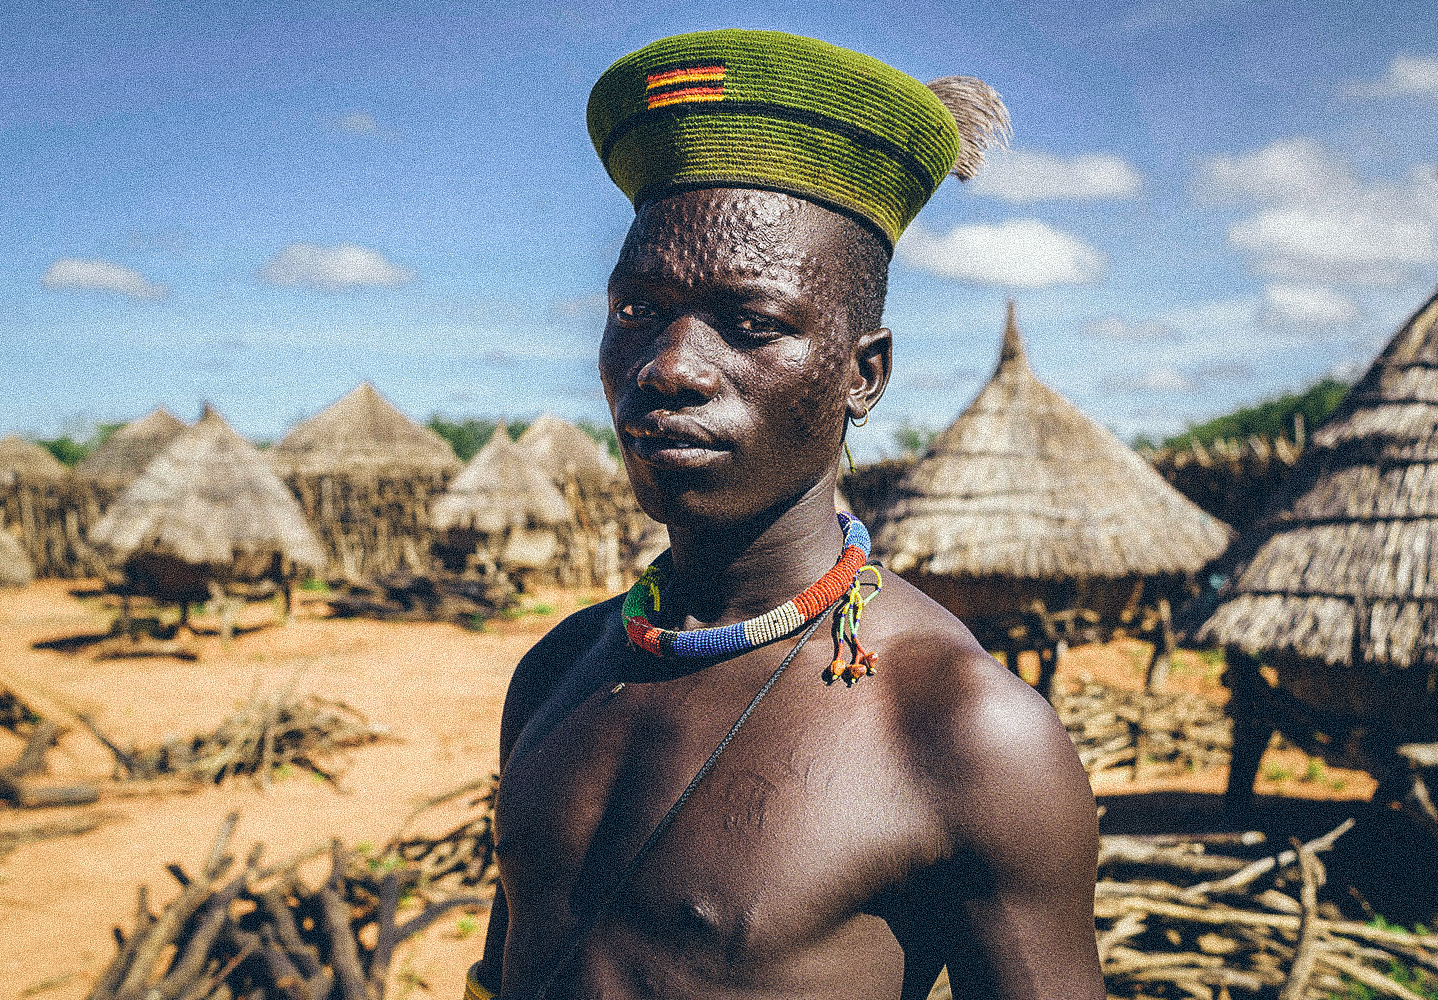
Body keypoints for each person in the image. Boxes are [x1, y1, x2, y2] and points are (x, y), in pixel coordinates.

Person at [470, 29, 1105, 1000]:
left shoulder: (963, 735)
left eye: (750, 324)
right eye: (637, 310)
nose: (669, 368)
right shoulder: (556, 673)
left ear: (864, 373)